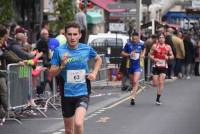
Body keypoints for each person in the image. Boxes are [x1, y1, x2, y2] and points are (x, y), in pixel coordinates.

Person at [49, 22, 102, 134]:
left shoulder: (86, 49)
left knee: (78, 123)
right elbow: (51, 73)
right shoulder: (59, 51)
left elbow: (98, 59)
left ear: (79, 35)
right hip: (66, 94)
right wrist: (62, 66)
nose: (72, 37)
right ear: (65, 35)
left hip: (82, 92)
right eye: (69, 34)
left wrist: (94, 73)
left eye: (75, 34)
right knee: (68, 131)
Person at [121, 32, 146, 105]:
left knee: (135, 81)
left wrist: (143, 54)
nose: (134, 40)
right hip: (130, 65)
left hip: (138, 66)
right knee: (133, 82)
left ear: (138, 38)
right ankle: (134, 91)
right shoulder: (128, 44)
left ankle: (133, 98)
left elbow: (144, 49)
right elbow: (122, 53)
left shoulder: (141, 44)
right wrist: (129, 54)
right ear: (131, 38)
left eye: (136, 39)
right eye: (133, 39)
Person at [149, 33, 174, 105]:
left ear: (164, 39)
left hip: (164, 66)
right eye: (160, 37)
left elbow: (172, 55)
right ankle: (157, 93)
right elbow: (149, 54)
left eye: (162, 37)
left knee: (161, 82)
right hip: (156, 66)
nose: (161, 39)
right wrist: (153, 58)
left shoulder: (168, 47)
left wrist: (168, 57)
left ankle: (158, 98)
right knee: (155, 84)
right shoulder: (154, 46)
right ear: (158, 39)